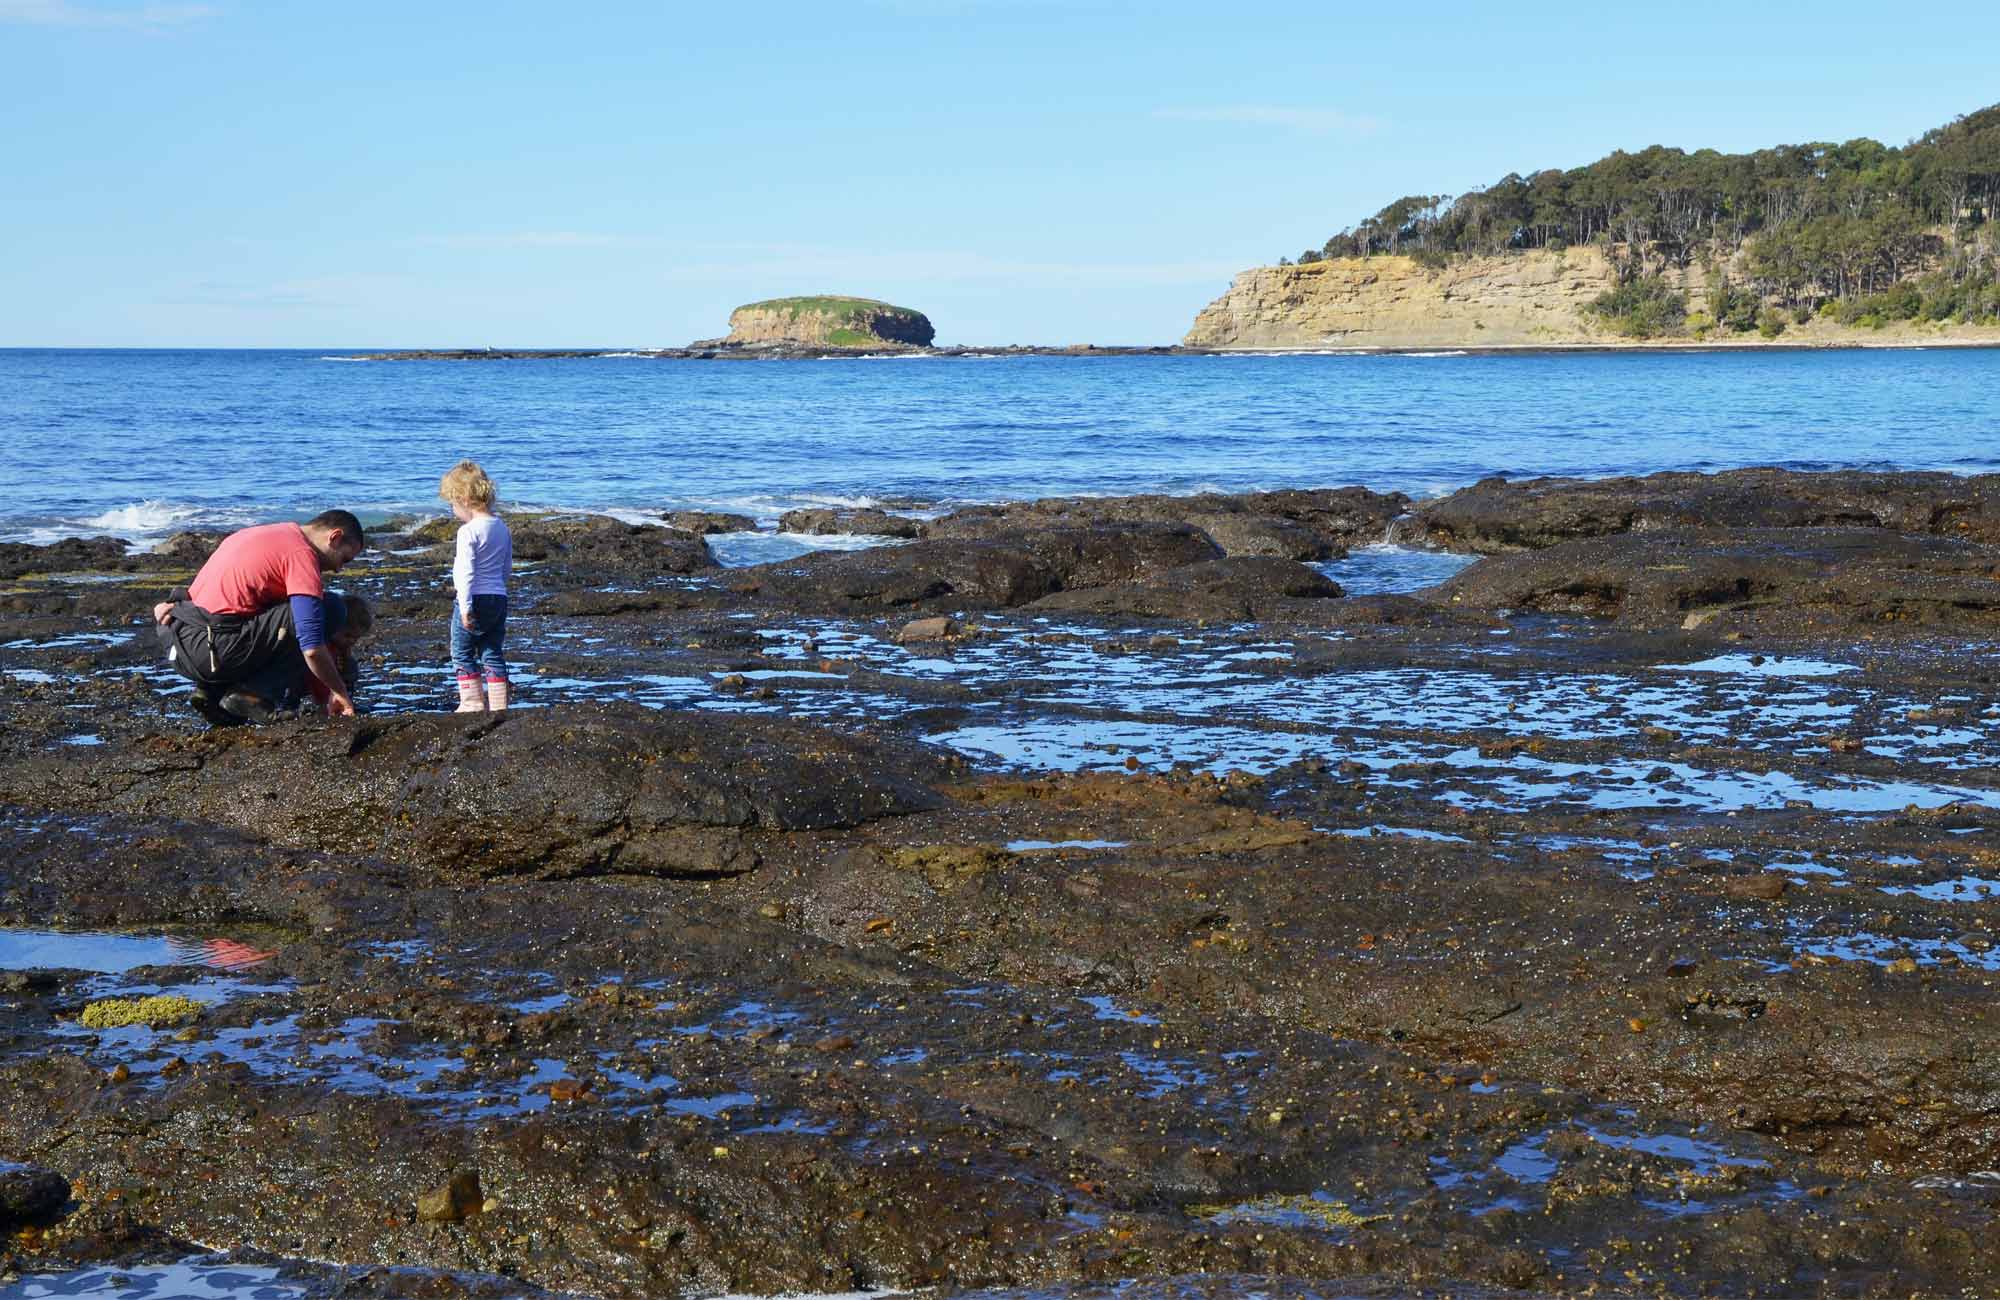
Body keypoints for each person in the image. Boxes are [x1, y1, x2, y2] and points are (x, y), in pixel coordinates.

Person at [152, 510, 365, 725]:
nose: (338, 569)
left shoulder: (258, 535)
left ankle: (213, 693)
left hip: (180, 641)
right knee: (329, 608)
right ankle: (254, 692)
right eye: (344, 559)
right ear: (335, 537)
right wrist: (340, 692)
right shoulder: (300, 553)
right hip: (213, 651)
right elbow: (310, 647)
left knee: (283, 612)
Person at [440, 460, 513, 712]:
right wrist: (500, 589)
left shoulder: (468, 531)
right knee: (491, 650)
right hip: (498, 597)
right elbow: (506, 566)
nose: (452, 510)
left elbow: (465, 572)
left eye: (452, 504)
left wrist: (465, 607)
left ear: (463, 499)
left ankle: (471, 703)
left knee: (461, 651)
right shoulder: (501, 527)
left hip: (474, 597)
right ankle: (499, 705)